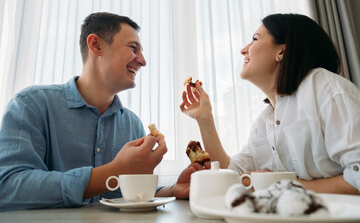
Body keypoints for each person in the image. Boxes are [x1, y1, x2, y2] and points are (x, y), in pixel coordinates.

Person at [0, 12, 209, 212]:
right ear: (96, 45)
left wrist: (171, 190)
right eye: (133, 48)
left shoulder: (132, 123)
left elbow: (130, 193)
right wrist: (113, 172)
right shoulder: (31, 105)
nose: (143, 61)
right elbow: (7, 188)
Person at [180, 13, 360, 194]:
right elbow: (235, 175)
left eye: (255, 39)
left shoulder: (324, 87)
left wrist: (285, 185)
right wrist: (205, 119)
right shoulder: (264, 122)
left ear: (281, 51)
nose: (244, 50)